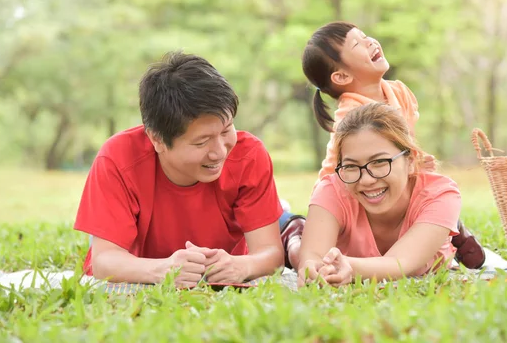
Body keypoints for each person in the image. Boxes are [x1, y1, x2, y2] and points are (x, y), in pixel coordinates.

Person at [74, 51, 288, 287]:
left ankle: (287, 219)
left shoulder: (249, 156)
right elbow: (104, 260)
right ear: (157, 140)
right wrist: (162, 270)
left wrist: (243, 266)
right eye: (201, 141)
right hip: (140, 270)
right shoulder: (117, 159)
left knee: (285, 224)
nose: (219, 152)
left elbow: (270, 254)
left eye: (226, 130)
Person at [290, 21, 485, 270]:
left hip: (398, 174)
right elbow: (345, 173)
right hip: (348, 191)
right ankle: (294, 236)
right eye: (357, 44)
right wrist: (329, 212)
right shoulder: (351, 116)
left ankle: (449, 227)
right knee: (305, 254)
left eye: (365, 36)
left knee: (431, 199)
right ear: (341, 76)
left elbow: (405, 138)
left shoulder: (399, 92)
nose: (370, 41)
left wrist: (415, 160)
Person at [298, 103, 461, 286]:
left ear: (410, 161)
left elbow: (400, 263)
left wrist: (346, 266)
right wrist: (314, 268)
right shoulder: (332, 190)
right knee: (295, 247)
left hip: (428, 219)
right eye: (351, 166)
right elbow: (312, 256)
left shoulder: (441, 194)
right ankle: (292, 230)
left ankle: (456, 233)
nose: (366, 180)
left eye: (379, 162)